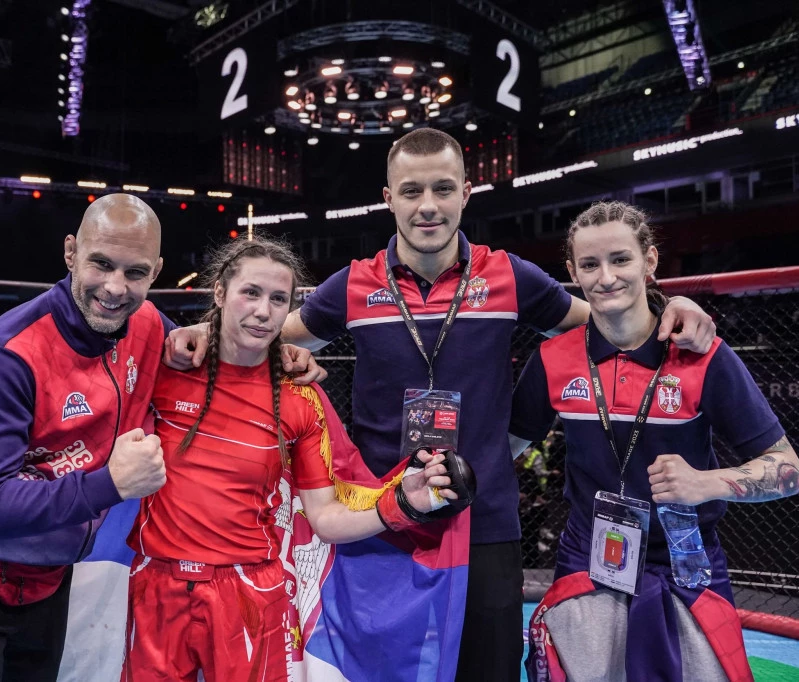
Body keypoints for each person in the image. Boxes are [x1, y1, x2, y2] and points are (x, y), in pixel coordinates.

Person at [168, 128, 716, 680]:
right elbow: (260, 335)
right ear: (389, 199)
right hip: (380, 519)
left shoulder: (509, 275)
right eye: (411, 191)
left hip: (484, 520)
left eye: (443, 188)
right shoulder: (354, 284)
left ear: (465, 194)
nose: (427, 205)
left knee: (488, 670)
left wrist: (671, 305)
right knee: (381, 672)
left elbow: (603, 323)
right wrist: (204, 331)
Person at [0, 194, 322, 682]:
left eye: (135, 272)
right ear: (70, 252)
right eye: (101, 264)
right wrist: (111, 484)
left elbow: (214, 348)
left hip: (48, 572)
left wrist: (282, 357)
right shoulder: (6, 356)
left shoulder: (146, 326)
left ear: (156, 272)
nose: (115, 287)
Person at [122, 235, 464, 681]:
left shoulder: (300, 399)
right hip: (156, 587)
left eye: (278, 299)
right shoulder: (165, 369)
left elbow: (326, 519)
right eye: (250, 292)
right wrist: (192, 333)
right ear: (220, 292)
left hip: (248, 594)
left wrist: (403, 503)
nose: (264, 311)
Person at [511, 201, 799, 681]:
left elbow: (788, 467)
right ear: (572, 273)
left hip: (686, 564)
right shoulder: (552, 359)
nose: (606, 277)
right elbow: (504, 448)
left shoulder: (703, 355)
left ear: (650, 260)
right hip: (588, 561)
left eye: (620, 259)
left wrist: (709, 483)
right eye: (590, 264)